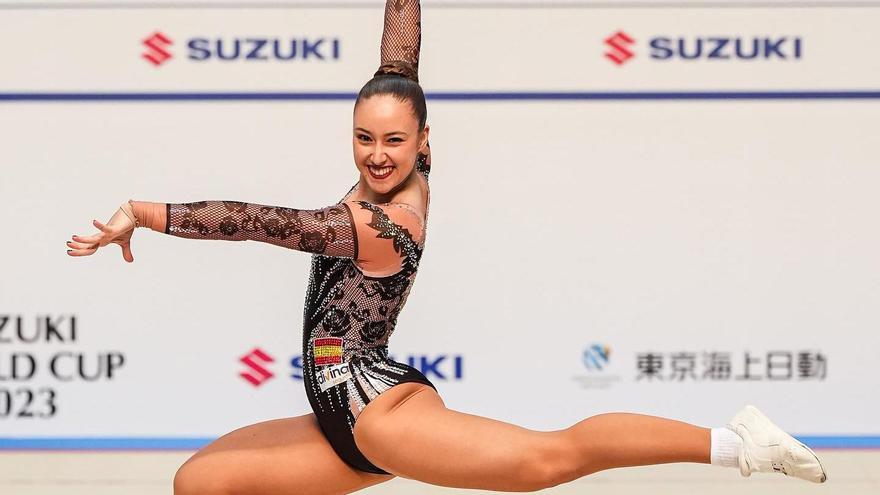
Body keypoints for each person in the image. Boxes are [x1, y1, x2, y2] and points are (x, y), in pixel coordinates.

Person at [66, 1, 827, 493]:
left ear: (424, 143)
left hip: (376, 410)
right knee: (199, 482)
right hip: (335, 407)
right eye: (363, 138)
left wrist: (145, 210)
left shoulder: (383, 224)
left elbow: (262, 221)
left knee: (546, 458)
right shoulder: (402, 156)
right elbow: (401, 47)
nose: (375, 154)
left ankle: (738, 443)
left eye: (392, 141)